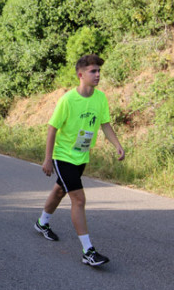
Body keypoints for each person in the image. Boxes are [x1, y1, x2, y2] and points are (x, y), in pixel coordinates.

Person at [36, 54, 125, 267]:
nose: (97, 75)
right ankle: (88, 251)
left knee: (60, 190)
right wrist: (48, 159)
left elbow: (104, 124)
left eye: (98, 71)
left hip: (81, 156)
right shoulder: (67, 100)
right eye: (93, 71)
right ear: (80, 75)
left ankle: (42, 223)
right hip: (63, 156)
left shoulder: (100, 98)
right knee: (79, 199)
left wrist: (117, 144)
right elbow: (52, 128)